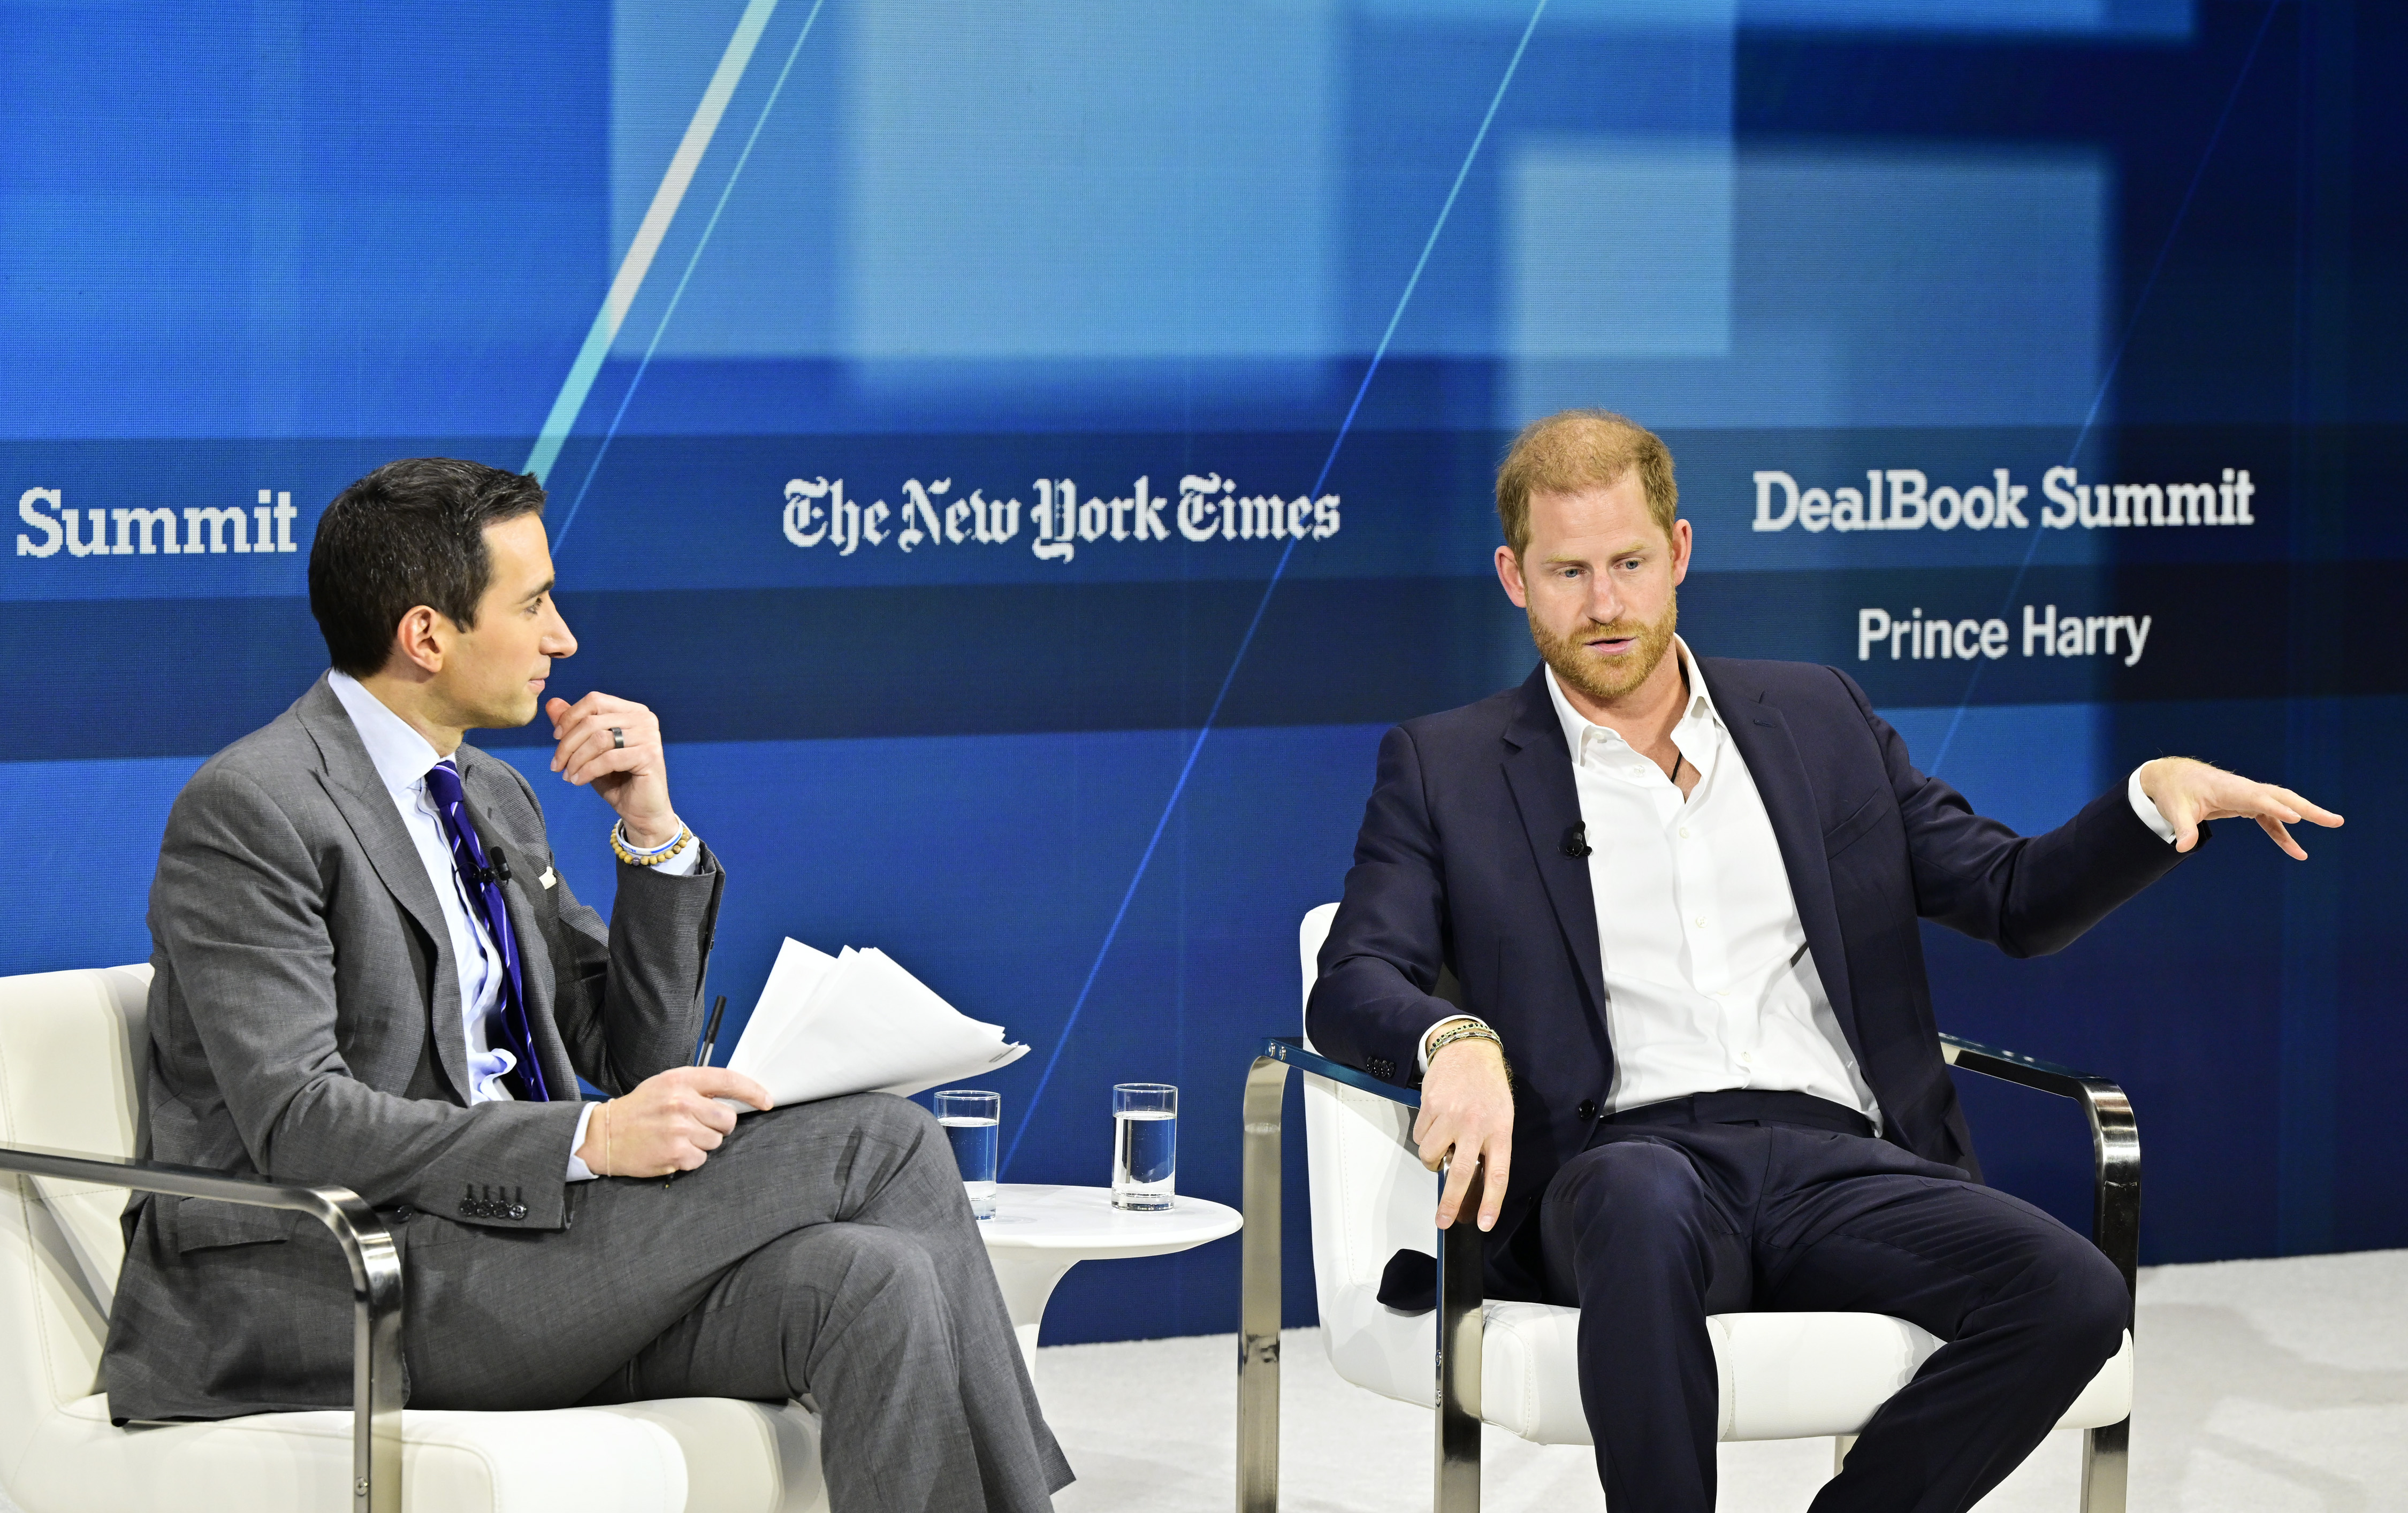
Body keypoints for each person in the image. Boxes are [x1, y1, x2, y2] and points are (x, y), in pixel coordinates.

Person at [1307, 411, 2342, 1513]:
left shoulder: (1818, 718)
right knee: (1640, 1197)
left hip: (1840, 1163)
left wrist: (2148, 805)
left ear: (1681, 554)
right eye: (1569, 571)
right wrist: (1452, 1036)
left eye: (1628, 564)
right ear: (1515, 577)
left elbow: (2012, 897)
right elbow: (1357, 973)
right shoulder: (1449, 765)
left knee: (2075, 1293)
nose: (1604, 605)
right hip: (1625, 1165)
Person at [101, 457, 1071, 1513]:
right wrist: (586, 1142)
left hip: (524, 1249)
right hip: (352, 1277)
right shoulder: (254, 808)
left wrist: (651, 836)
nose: (563, 637)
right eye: (534, 604)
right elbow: (300, 1122)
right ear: (427, 635)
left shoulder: (492, 794)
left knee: (879, 1283)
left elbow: (634, 1060)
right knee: (886, 1140)